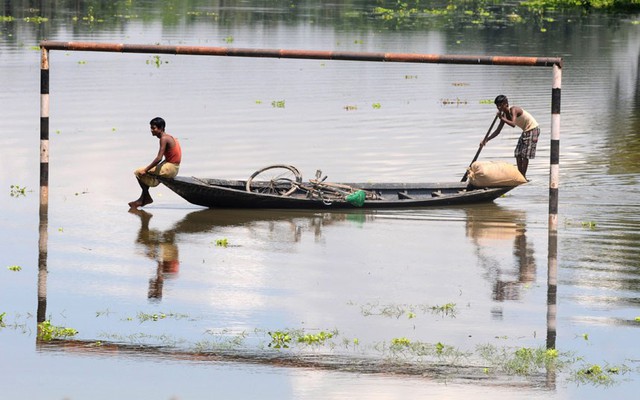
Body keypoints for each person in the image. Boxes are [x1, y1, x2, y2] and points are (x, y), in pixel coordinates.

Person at [480, 95, 540, 177]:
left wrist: (501, 118)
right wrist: (486, 140)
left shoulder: (513, 109)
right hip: (526, 130)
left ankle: (523, 176)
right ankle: (520, 175)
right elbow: (498, 131)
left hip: (533, 129)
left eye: (500, 105)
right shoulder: (504, 115)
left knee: (525, 155)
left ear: (506, 104)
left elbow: (513, 124)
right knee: (517, 153)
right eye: (497, 106)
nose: (499, 108)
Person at [128, 117, 182, 209]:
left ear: (161, 128)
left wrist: (146, 170)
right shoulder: (169, 137)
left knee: (138, 172)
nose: (151, 130)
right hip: (174, 167)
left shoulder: (164, 139)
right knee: (145, 172)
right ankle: (143, 198)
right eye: (151, 128)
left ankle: (145, 198)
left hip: (171, 168)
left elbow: (159, 158)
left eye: (154, 128)